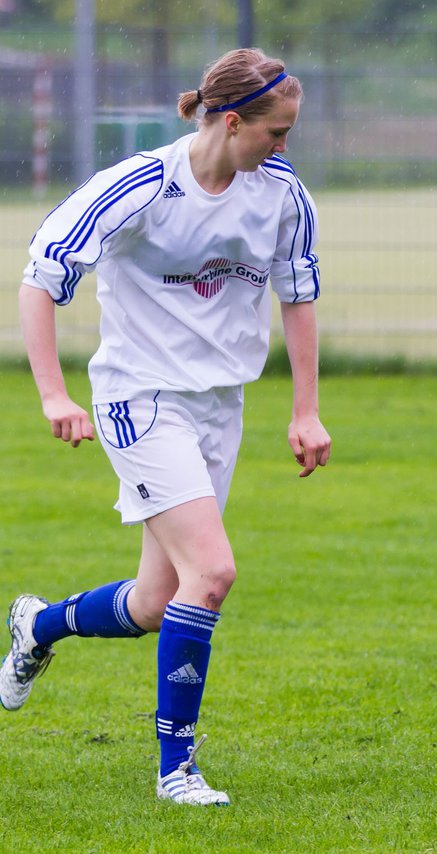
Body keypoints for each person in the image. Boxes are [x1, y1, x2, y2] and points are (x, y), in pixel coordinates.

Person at [3, 48, 330, 806]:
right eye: (274, 132)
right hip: (140, 397)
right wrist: (54, 395)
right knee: (212, 575)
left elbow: (298, 294)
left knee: (157, 603)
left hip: (220, 405)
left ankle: (37, 628)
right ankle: (176, 770)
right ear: (228, 120)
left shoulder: (281, 193)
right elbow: (41, 276)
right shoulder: (142, 184)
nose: (284, 148)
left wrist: (305, 409)